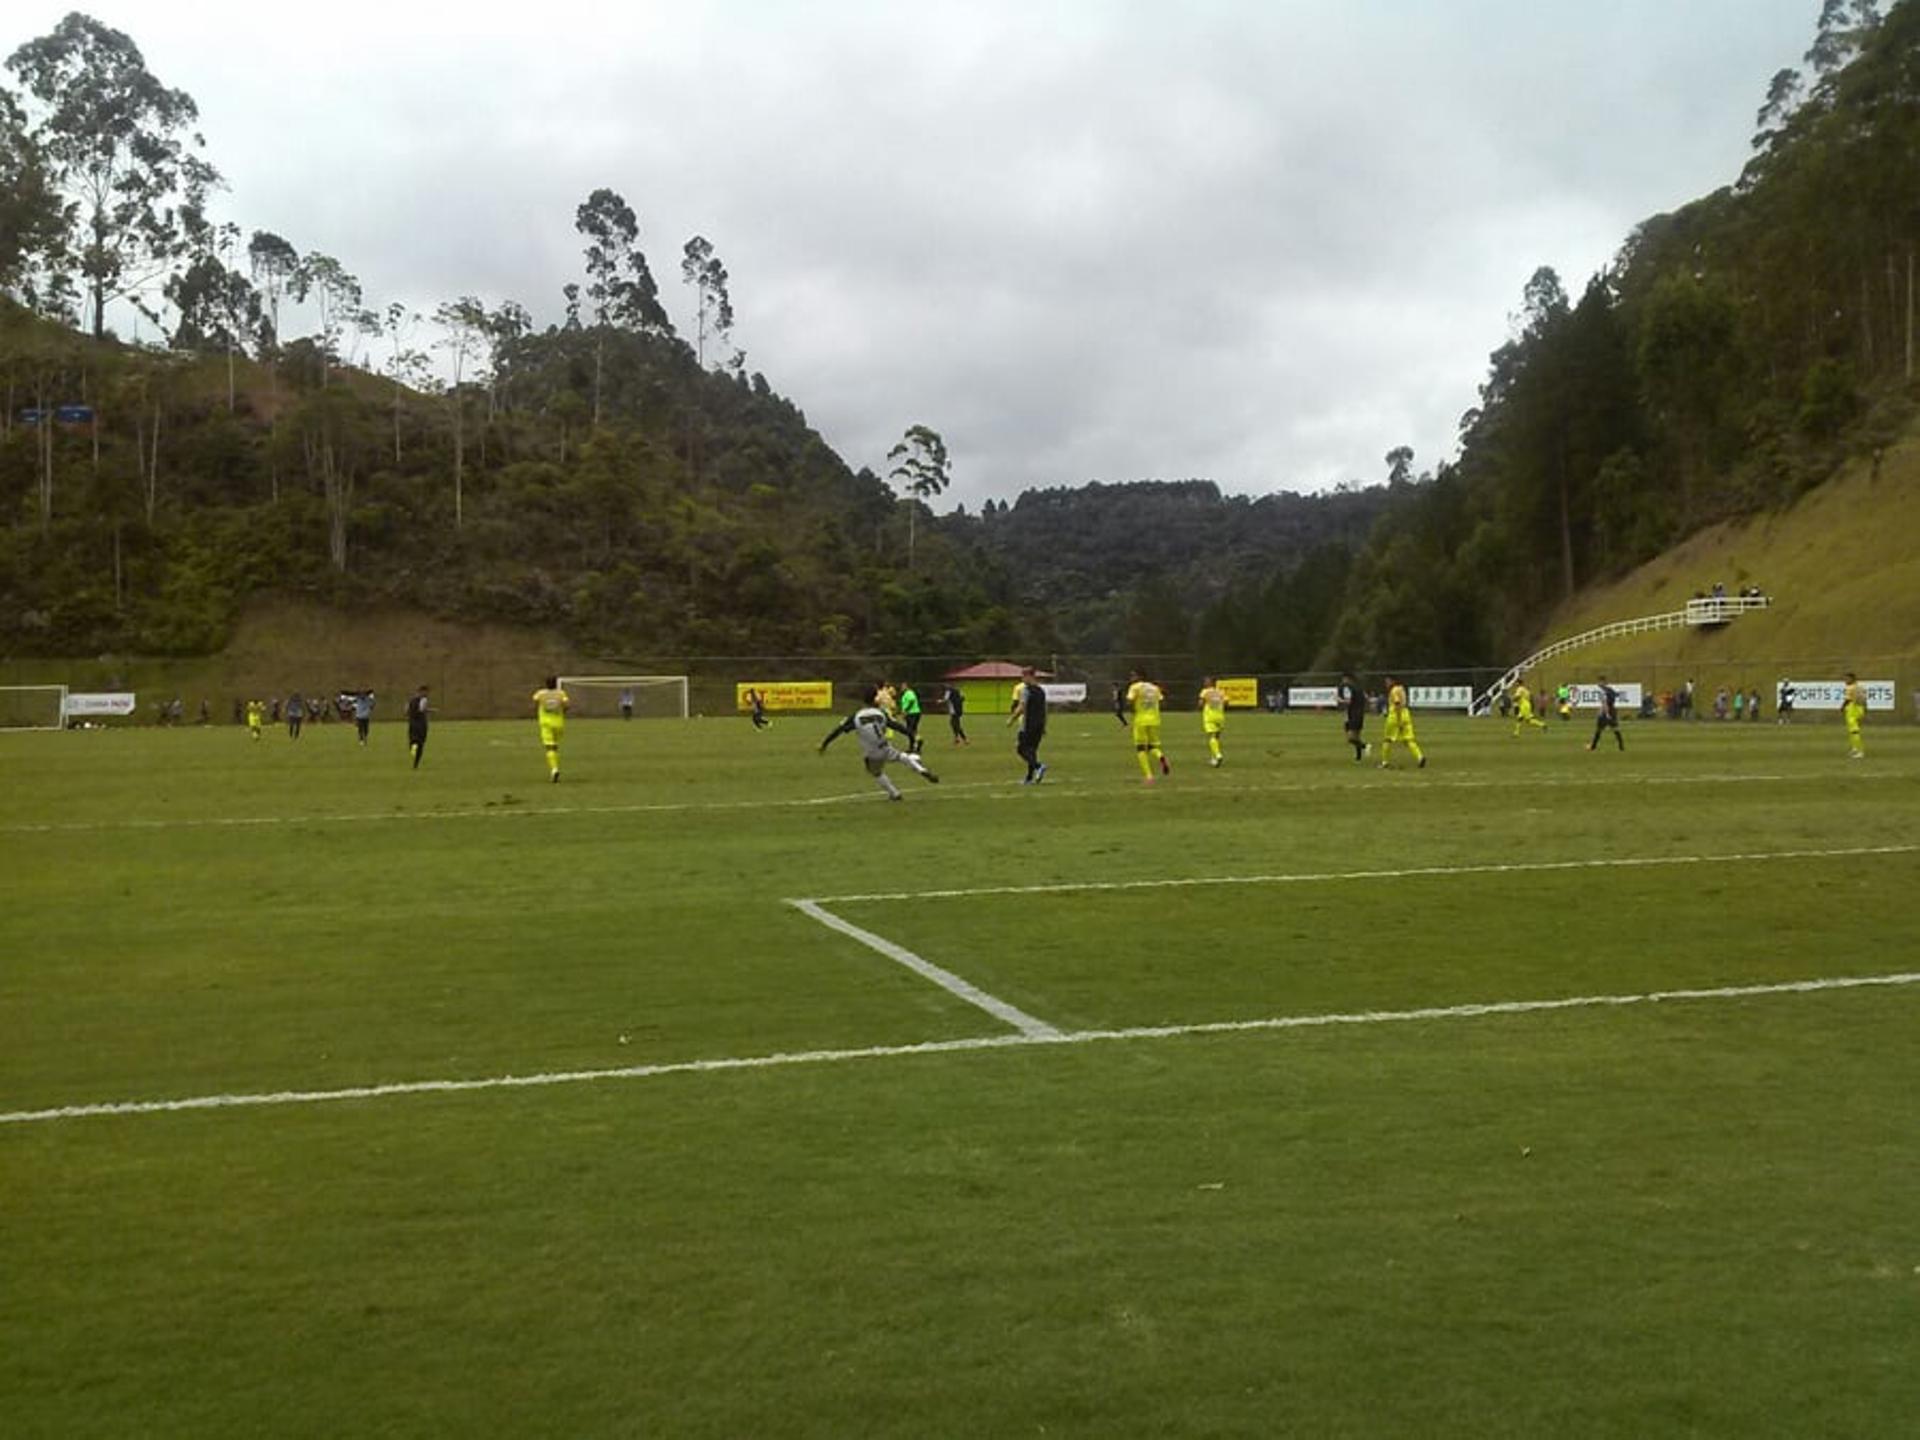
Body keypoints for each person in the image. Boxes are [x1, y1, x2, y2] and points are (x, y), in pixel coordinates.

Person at [820, 685, 939, 800]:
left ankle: (894, 794)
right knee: (902, 757)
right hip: (885, 747)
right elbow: (896, 726)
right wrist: (910, 734)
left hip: (871, 752)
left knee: (875, 772)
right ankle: (922, 770)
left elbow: (839, 730)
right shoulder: (881, 713)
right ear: (874, 698)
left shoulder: (856, 716)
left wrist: (825, 743)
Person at [1124, 668, 1170, 784]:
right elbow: (1162, 701)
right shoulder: (1154, 688)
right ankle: (1161, 757)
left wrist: (1133, 709)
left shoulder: (1135, 687)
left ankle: (1149, 776)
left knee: (1140, 748)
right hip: (1154, 719)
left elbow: (1129, 701)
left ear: (1139, 676)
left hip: (1141, 720)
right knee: (1151, 746)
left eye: (1133, 676)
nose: (1131, 678)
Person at [1007, 666, 1048, 784]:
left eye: (1023, 676)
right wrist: (1044, 725)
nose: (1022, 679)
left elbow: (1022, 706)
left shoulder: (1026, 690)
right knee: (1032, 750)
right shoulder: (1041, 691)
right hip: (1039, 724)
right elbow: (1044, 709)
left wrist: (1012, 719)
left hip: (1028, 724)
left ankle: (1038, 766)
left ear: (1029, 676)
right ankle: (1029, 778)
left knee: (1021, 749)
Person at [1378, 675, 1426, 770]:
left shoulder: (1394, 690)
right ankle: (1420, 757)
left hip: (1395, 716)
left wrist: (1398, 720)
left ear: (1392, 681)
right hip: (1406, 714)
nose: (1386, 684)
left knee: (1387, 740)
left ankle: (1384, 762)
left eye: (1387, 681)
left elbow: (1397, 703)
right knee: (1409, 740)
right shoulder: (1401, 689)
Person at [532, 674, 571, 781]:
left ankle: (554, 769)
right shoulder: (561, 693)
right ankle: (554, 765)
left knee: (550, 748)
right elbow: (567, 705)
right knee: (555, 747)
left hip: (546, 723)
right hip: (558, 723)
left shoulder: (540, 693)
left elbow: (535, 700)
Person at [1587, 675, 1625, 752]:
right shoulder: (1610, 689)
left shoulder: (1603, 691)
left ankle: (1593, 747)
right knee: (1615, 729)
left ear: (1602, 682)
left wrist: (1604, 712)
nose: (1598, 683)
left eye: (1599, 682)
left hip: (1606, 712)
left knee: (1599, 730)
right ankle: (1621, 746)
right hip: (1613, 710)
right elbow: (1615, 695)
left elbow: (1605, 703)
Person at [1198, 676, 1228, 767]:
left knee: (1211, 737)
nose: (1204, 683)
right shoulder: (1220, 692)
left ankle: (1218, 755)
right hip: (1220, 716)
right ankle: (1214, 758)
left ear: (1209, 683)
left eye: (1206, 681)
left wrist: (1204, 705)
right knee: (1216, 738)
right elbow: (1227, 702)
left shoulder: (1205, 692)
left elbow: (1200, 703)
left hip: (1210, 717)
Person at [1339, 672, 1368, 762]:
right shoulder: (1359, 688)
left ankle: (1365, 746)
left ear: (1346, 679)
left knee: (1350, 737)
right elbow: (1366, 697)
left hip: (1352, 714)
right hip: (1360, 713)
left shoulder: (1347, 688)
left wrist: (1339, 700)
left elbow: (1348, 701)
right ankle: (1358, 758)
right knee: (1357, 736)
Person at [405, 685, 430, 769]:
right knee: (420, 744)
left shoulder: (410, 700)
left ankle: (413, 751)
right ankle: (415, 764)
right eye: (425, 692)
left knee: (414, 741)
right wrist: (429, 710)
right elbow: (422, 709)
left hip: (413, 724)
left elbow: (406, 711)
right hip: (420, 725)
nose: (426, 694)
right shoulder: (424, 700)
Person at [1843, 671, 1866, 759]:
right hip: (1859, 709)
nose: (1845, 680)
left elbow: (1848, 700)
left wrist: (1842, 707)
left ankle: (1859, 751)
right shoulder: (1860, 687)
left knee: (1854, 731)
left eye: (1847, 678)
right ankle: (1855, 748)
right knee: (1852, 731)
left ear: (1852, 679)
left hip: (1853, 709)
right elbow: (1864, 699)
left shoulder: (1850, 688)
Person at [899, 682, 923, 753]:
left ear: (907, 686)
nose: (902, 688)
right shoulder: (907, 693)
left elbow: (911, 701)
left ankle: (918, 741)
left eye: (903, 686)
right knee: (913, 730)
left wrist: (906, 711)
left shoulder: (909, 693)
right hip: (914, 713)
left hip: (912, 714)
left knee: (909, 730)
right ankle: (913, 747)